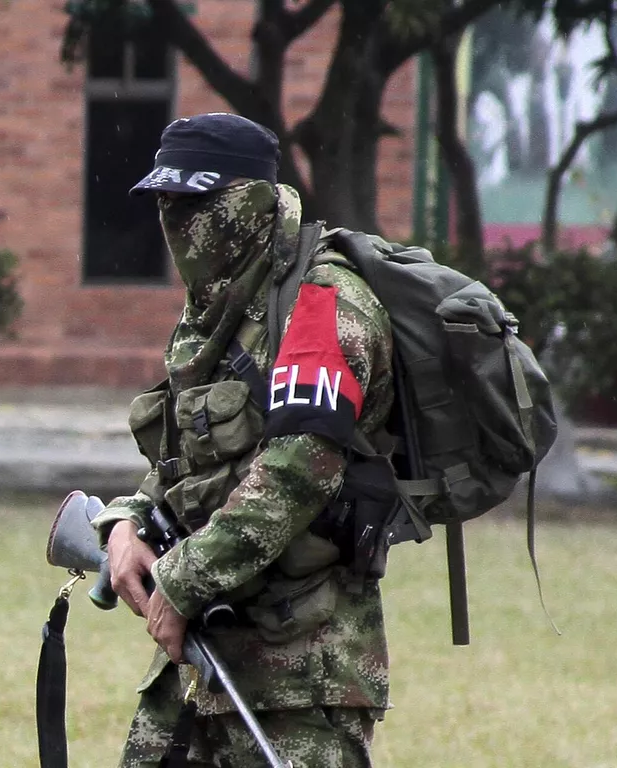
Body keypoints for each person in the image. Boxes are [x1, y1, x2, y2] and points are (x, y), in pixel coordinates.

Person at [90, 113, 397, 767]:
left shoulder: (324, 306)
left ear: (252, 203)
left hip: (301, 676)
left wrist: (180, 582)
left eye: (196, 202)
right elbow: (185, 462)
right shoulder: (219, 311)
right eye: (166, 203)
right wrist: (129, 524)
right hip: (198, 666)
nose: (178, 221)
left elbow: (295, 474)